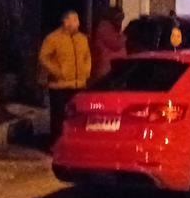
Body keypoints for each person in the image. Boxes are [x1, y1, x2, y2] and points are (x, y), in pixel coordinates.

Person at [39, 10, 91, 146]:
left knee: (77, 116)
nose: (77, 23)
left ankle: (75, 142)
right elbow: (44, 58)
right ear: (65, 21)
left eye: (78, 20)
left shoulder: (82, 39)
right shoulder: (53, 38)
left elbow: (87, 57)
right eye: (74, 20)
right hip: (59, 86)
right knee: (59, 117)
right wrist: (57, 71)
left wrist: (86, 72)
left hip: (78, 85)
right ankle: (57, 143)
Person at [90, 8, 127, 82]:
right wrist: (125, 36)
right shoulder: (105, 28)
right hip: (108, 69)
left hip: (114, 68)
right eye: (119, 18)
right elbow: (116, 43)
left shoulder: (115, 30)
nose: (120, 21)